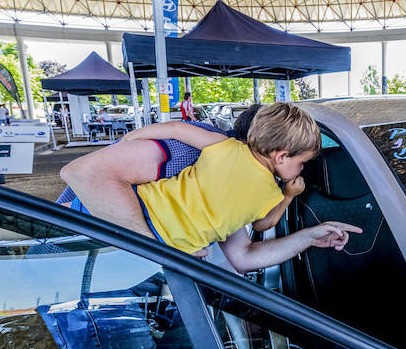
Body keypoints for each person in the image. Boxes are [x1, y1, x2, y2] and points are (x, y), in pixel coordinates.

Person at [60, 103, 361, 269]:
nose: (302, 169)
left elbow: (245, 253)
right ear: (281, 155)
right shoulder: (199, 152)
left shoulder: (223, 149)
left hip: (138, 255)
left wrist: (309, 235)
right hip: (91, 245)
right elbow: (81, 174)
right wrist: (288, 195)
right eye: (302, 162)